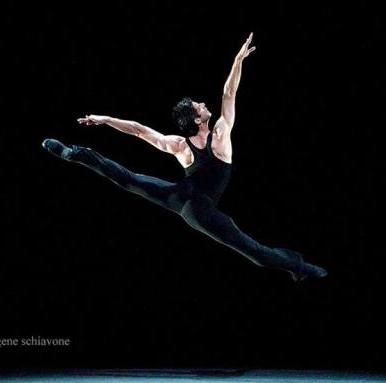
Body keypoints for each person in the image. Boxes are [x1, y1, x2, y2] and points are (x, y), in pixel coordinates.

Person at [42, 33, 327, 282]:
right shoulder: (218, 135)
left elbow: (227, 92)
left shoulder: (185, 144)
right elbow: (141, 131)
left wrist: (238, 60)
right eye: (198, 106)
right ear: (196, 118)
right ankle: (73, 153)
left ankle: (300, 268)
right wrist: (105, 119)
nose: (204, 104)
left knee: (253, 252)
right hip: (191, 206)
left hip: (185, 202)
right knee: (252, 249)